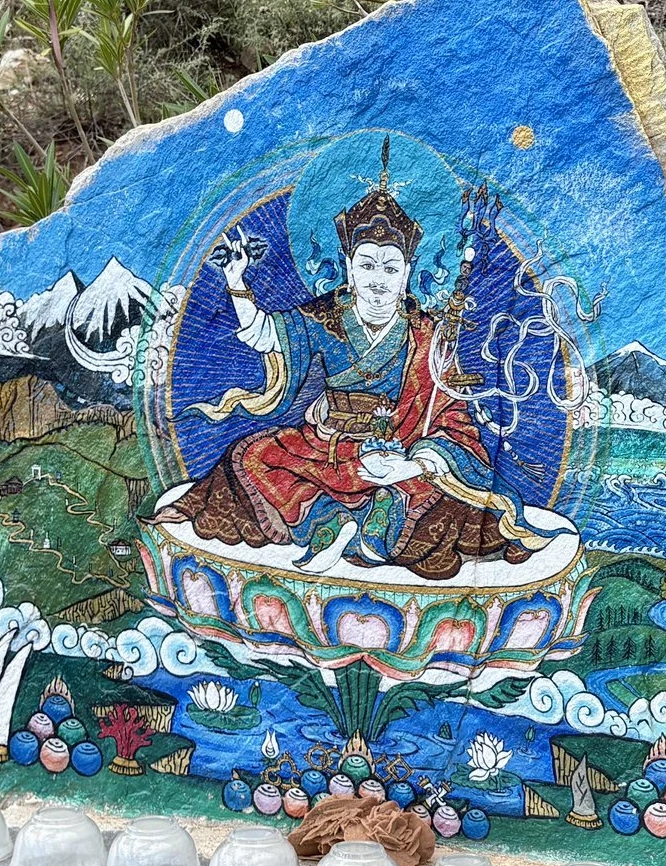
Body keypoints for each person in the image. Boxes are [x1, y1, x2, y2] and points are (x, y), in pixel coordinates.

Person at [161, 150, 546, 581]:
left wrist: (413, 464)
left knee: (450, 501)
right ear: (347, 266)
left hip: (397, 450)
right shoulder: (325, 316)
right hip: (328, 447)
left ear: (407, 272)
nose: (378, 279)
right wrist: (236, 282)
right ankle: (327, 524)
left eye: (390, 267)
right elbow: (267, 333)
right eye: (366, 265)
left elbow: (451, 418)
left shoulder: (426, 334)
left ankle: (375, 529)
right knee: (252, 456)